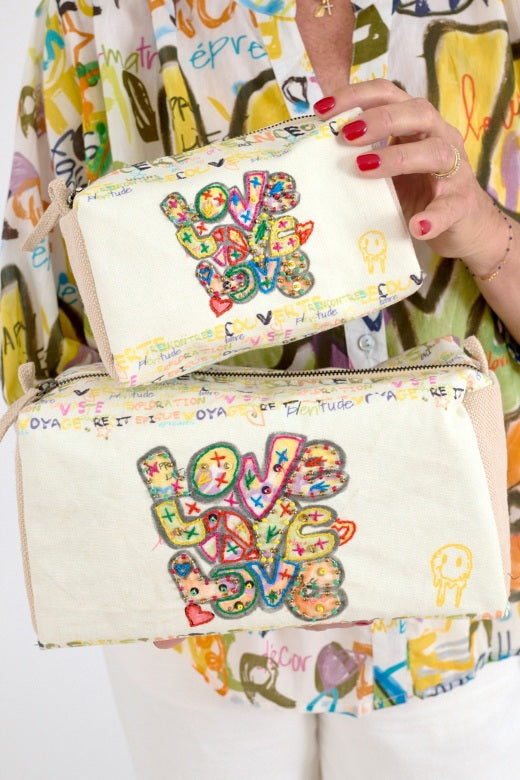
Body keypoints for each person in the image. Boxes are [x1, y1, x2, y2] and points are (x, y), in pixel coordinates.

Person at [2, 0, 520, 777]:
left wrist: (484, 228)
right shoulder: (100, 12)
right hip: (192, 608)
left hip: (460, 602)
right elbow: (35, 320)